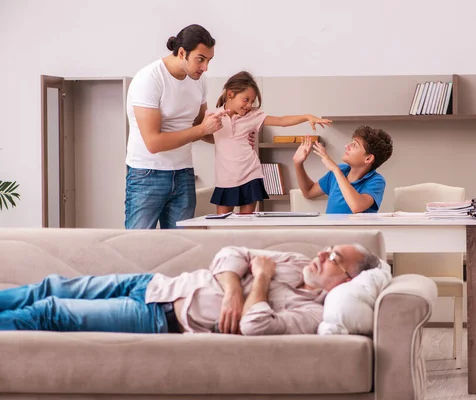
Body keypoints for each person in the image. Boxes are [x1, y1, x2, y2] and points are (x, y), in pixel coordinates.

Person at [0, 244, 380, 335]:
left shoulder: (314, 313)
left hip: (160, 317)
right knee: (50, 286)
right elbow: (231, 252)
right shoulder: (296, 260)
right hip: (154, 284)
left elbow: (255, 326)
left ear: (346, 280)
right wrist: (234, 291)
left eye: (333, 257)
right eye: (328, 247)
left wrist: (260, 278)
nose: (321, 254)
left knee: (49, 312)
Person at [125, 24, 227, 229]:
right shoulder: (149, 79)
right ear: (182, 53)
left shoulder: (199, 81)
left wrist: (234, 136)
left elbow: (201, 127)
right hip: (147, 174)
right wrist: (202, 129)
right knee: (136, 248)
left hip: (183, 174)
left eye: (209, 60)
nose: (205, 67)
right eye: (201, 59)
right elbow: (153, 142)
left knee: (182, 247)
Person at [209, 71, 332, 215]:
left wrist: (306, 117)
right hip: (225, 179)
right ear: (230, 94)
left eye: (252, 101)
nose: (249, 105)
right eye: (245, 99)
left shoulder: (254, 115)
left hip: (250, 175)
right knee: (222, 225)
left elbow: (281, 121)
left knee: (246, 224)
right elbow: (202, 134)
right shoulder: (213, 116)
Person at [293, 125, 393, 214]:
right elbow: (308, 192)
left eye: (354, 145)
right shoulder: (341, 170)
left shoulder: (376, 181)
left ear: (368, 158)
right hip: (330, 233)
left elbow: (356, 207)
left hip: (357, 234)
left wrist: (335, 170)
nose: (346, 146)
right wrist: (298, 164)